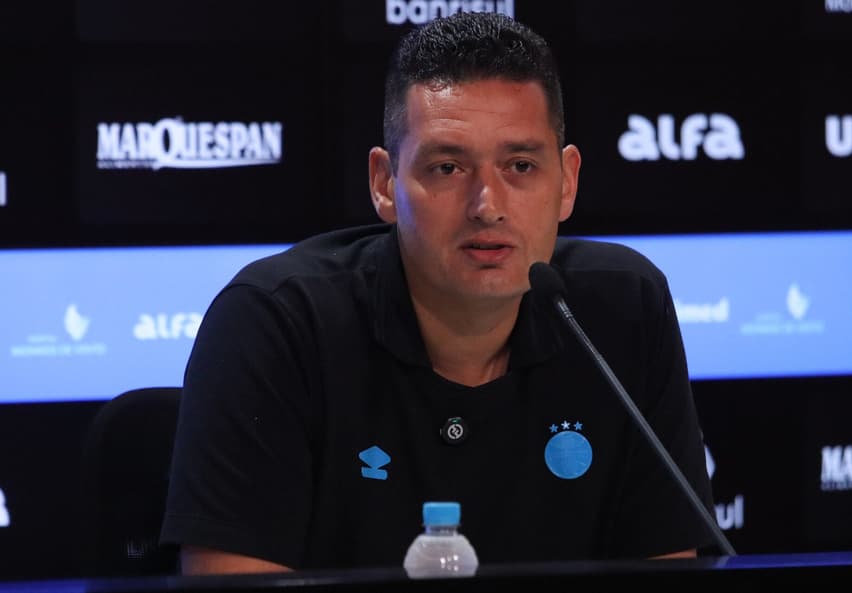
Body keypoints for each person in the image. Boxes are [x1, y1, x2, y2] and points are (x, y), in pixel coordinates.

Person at [159, 10, 716, 575]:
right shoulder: (275, 320)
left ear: (567, 181)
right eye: (448, 167)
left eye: (521, 165)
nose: (488, 205)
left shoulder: (625, 307)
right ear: (384, 184)